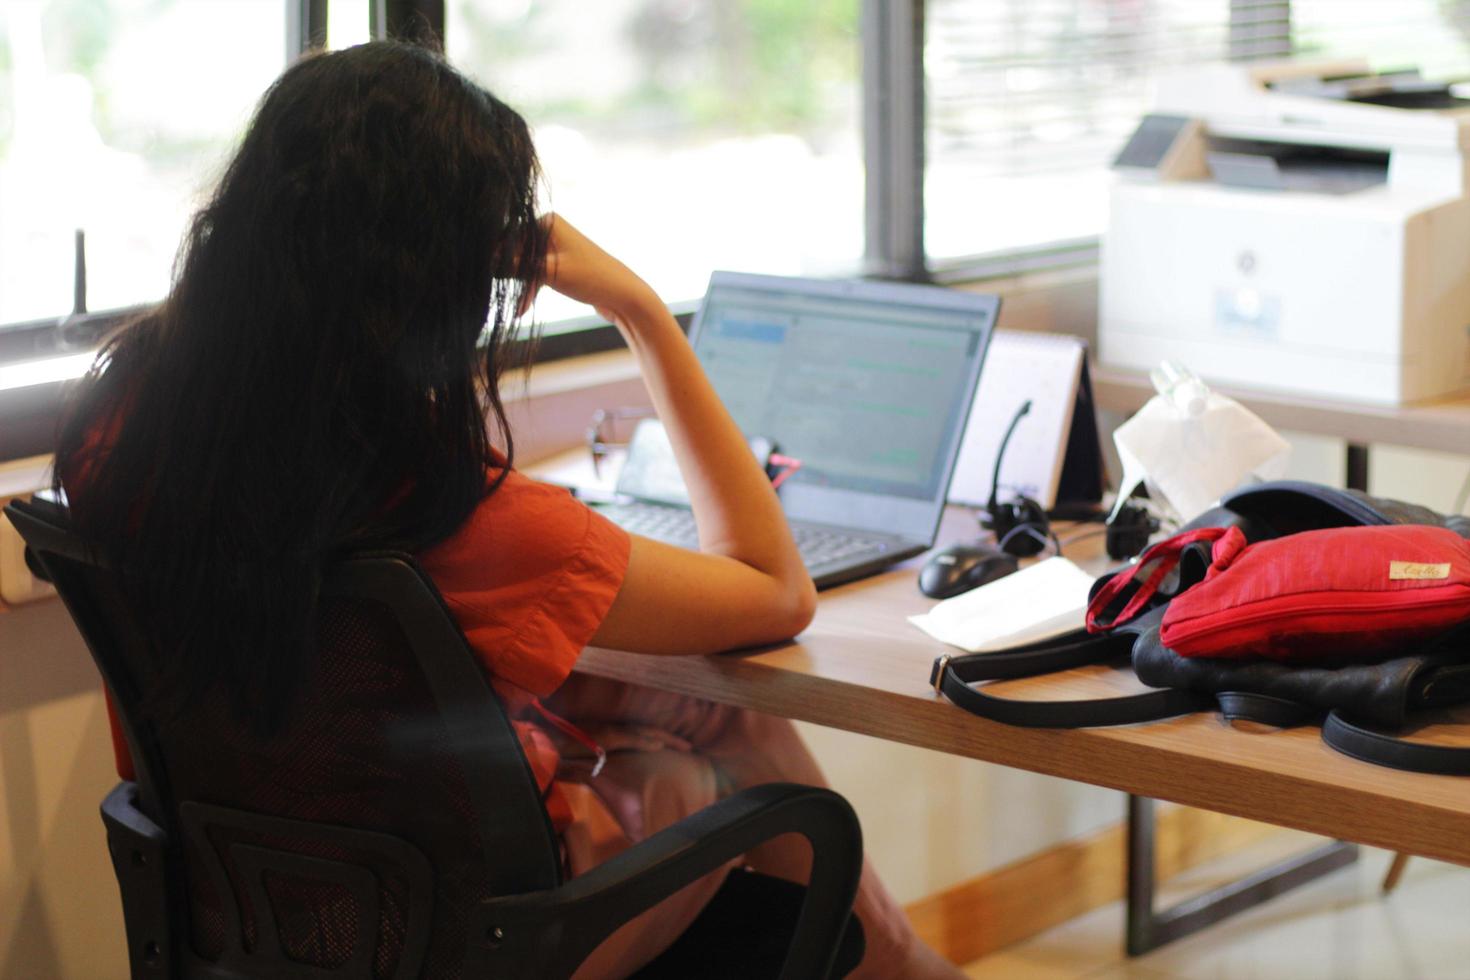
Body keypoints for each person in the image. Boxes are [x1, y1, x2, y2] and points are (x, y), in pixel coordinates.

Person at [56, 40, 964, 979]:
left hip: (250, 905)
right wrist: (640, 310)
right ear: (441, 292)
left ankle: (906, 964)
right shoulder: (458, 518)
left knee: (671, 716)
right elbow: (777, 590)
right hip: (475, 945)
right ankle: (909, 968)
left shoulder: (114, 429)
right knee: (697, 770)